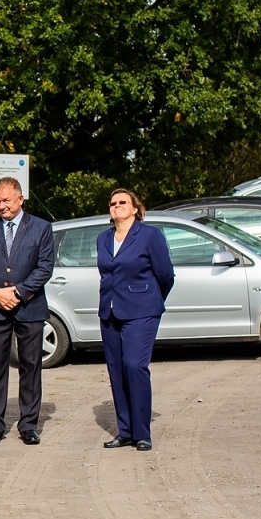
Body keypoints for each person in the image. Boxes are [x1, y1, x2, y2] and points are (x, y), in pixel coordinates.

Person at [0, 176, 55, 445]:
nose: (1, 206)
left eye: (6, 200)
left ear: (20, 198)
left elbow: (45, 267)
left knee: (30, 366)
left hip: (30, 307)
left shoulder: (41, 228)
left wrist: (18, 292)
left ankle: (29, 424)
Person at [96, 189, 174, 452]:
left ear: (134, 208)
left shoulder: (149, 235)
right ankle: (125, 431)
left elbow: (166, 275)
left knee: (134, 366)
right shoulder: (103, 239)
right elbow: (106, 274)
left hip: (141, 311)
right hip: (109, 312)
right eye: (113, 203)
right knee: (116, 370)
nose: (117, 206)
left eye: (122, 203)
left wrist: (150, 300)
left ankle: (142, 432)